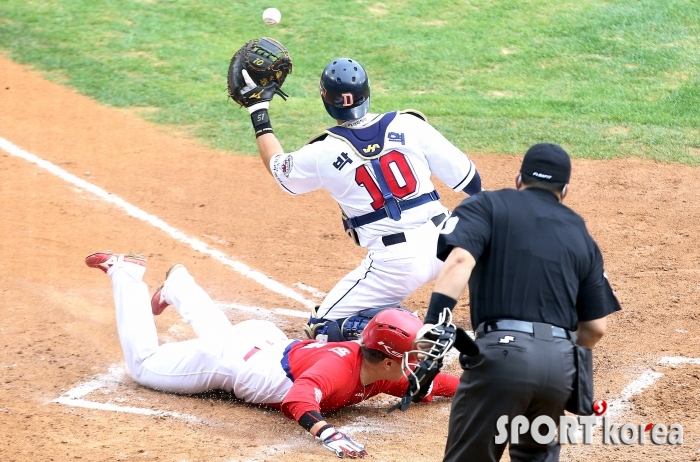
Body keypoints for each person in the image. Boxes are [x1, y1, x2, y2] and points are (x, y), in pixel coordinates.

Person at [85, 251, 458, 459]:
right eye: (412, 356)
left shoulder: (377, 368)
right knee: (144, 364)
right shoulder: (338, 369)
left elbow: (434, 384)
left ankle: (180, 287)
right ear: (389, 359)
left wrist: (482, 384)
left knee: (221, 335)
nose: (417, 362)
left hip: (263, 343)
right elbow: (297, 399)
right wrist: (328, 434)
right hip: (231, 359)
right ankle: (126, 275)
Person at [236, 57, 483, 341]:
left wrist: (258, 108)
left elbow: (279, 168)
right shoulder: (410, 124)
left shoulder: (322, 153)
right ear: (367, 93)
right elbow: (470, 180)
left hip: (397, 265)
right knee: (487, 255)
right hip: (449, 243)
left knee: (322, 328)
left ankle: (405, 327)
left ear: (325, 99)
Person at [420, 143, 622, 461]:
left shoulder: (486, 205)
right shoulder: (580, 234)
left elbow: (459, 261)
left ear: (518, 179)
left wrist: (433, 323)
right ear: (564, 190)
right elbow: (595, 329)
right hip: (559, 369)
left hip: (502, 358)